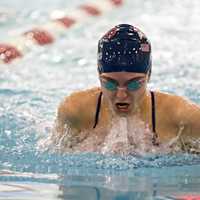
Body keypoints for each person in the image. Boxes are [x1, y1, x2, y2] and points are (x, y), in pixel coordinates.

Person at [51, 24, 200, 155]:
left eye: (133, 84)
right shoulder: (75, 111)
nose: (121, 95)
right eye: (110, 84)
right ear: (98, 75)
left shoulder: (182, 118)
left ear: (149, 75)